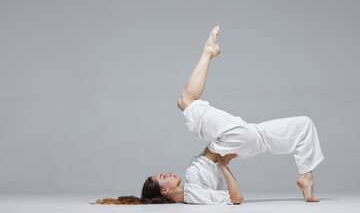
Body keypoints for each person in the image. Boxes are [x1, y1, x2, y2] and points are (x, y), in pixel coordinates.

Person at [89, 26, 324, 205]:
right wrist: (223, 166)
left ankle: (306, 177)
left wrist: (224, 162)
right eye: (163, 176)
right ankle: (208, 52)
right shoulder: (191, 191)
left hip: (249, 139)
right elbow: (236, 199)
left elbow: (232, 197)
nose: (168, 173)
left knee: (304, 125)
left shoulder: (192, 188)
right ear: (165, 190)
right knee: (184, 102)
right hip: (234, 140)